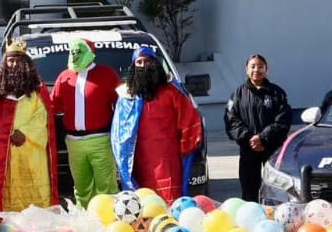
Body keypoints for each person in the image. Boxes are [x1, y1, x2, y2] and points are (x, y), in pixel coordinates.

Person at [111, 44, 204, 202]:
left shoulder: (172, 91)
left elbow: (189, 121)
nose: (143, 66)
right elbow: (118, 133)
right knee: (144, 201)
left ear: (155, 64)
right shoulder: (126, 97)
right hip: (138, 159)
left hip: (169, 158)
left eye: (146, 61)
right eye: (138, 62)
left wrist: (186, 147)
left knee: (170, 200)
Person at [0, 41, 58, 211]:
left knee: (34, 188)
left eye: (18, 60)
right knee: (9, 192)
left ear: (26, 63)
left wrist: (24, 133)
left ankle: (40, 229)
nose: (14, 64)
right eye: (10, 60)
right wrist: (8, 134)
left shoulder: (38, 88)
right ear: (4, 63)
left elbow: (42, 117)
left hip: (32, 151)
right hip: (6, 152)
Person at [48, 37, 121, 206]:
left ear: (91, 53)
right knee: (81, 188)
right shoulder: (64, 77)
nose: (74, 55)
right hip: (74, 143)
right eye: (72, 52)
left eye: (79, 52)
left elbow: (121, 105)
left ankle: (109, 222)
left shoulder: (107, 74)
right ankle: (84, 220)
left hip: (101, 140)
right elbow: (52, 106)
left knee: (107, 187)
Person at [224, 54, 291, 202]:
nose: (256, 69)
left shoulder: (277, 93)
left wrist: (262, 138)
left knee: (276, 190)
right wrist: (250, 138)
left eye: (260, 66)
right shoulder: (238, 94)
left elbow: (283, 121)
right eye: (252, 66)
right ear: (246, 70)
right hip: (248, 150)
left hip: (272, 149)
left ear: (266, 69)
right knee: (249, 191)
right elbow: (231, 120)